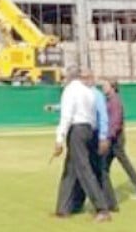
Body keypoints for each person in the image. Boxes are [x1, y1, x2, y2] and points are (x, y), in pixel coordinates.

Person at [52, 65, 112, 223]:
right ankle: (63, 209)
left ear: (69, 77)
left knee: (83, 169)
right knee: (70, 170)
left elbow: (66, 116)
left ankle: (102, 208)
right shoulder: (88, 92)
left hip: (77, 129)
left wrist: (59, 139)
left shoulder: (70, 91)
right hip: (88, 129)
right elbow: (93, 116)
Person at [102, 79, 136, 201]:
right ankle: (104, 191)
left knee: (121, 163)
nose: (103, 87)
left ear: (112, 87)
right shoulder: (109, 100)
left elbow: (116, 121)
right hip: (112, 137)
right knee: (103, 165)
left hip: (115, 139)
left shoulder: (115, 101)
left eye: (105, 85)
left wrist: (109, 136)